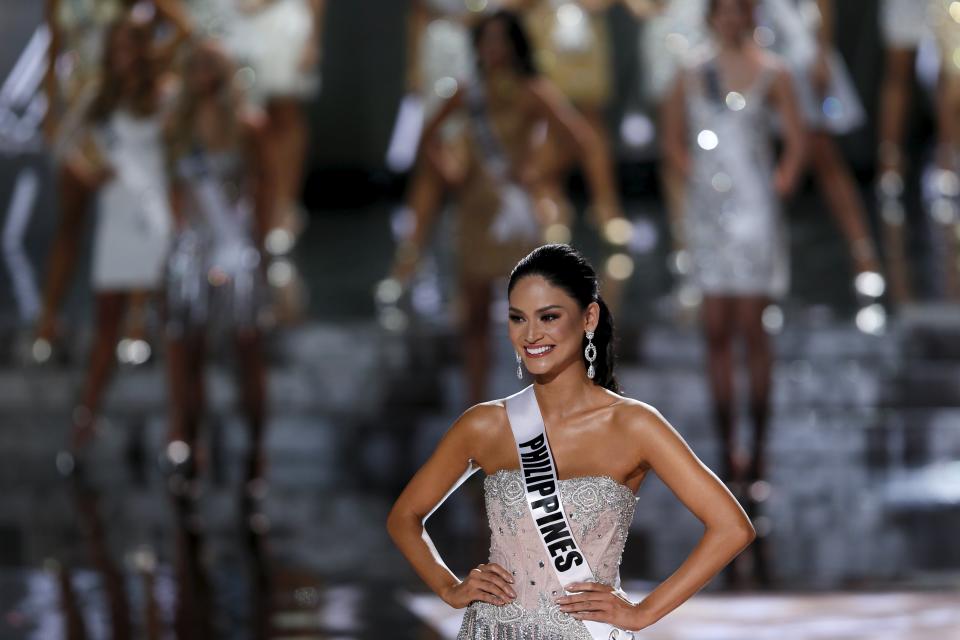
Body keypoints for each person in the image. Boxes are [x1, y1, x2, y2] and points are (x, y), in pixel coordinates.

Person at [388, 244, 754, 637]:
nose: (531, 334)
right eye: (517, 318)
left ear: (589, 317)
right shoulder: (485, 425)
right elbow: (404, 518)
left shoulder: (633, 425)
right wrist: (449, 586)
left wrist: (642, 613)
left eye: (549, 316)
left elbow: (732, 527)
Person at [389, 10, 623, 407]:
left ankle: (538, 410)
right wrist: (449, 170)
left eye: (501, 40)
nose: (494, 49)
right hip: (474, 211)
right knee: (475, 316)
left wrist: (537, 172)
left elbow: (579, 139)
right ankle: (477, 408)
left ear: (516, 45)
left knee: (531, 320)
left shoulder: (533, 89)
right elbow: (426, 133)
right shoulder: (467, 92)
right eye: (487, 40)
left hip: (515, 214)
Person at [661, 0, 805, 485]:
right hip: (708, 214)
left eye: (736, 9)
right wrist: (697, 181)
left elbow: (799, 138)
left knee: (752, 329)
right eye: (721, 9)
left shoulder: (773, 71)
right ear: (711, 16)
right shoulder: (691, 71)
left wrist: (780, 183)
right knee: (716, 328)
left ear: (749, 15)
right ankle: (728, 452)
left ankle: (759, 449)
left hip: (754, 213)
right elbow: (672, 137)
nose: (729, 18)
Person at [46, 8, 190, 467]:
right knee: (106, 325)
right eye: (118, 47)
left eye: (133, 46)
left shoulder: (165, 93)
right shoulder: (98, 99)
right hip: (116, 220)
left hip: (155, 220)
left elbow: (184, 153)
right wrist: (90, 175)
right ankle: (85, 423)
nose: (125, 55)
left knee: (172, 329)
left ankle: (179, 429)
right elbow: (63, 143)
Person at [163, 39, 271, 496]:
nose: (203, 72)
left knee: (248, 349)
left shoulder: (249, 125)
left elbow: (265, 190)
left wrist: (264, 254)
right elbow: (172, 191)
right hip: (193, 249)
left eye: (211, 63)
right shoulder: (177, 128)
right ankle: (190, 441)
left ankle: (255, 447)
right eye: (196, 64)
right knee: (188, 348)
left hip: (237, 247)